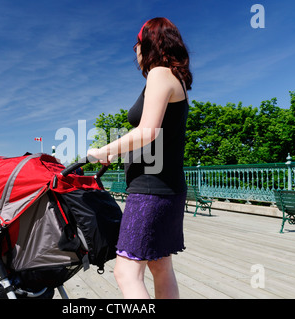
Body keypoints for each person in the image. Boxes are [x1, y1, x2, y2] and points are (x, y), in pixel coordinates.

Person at [87, 17, 192, 299]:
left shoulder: (160, 73)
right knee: (160, 266)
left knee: (126, 272)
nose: (135, 49)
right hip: (169, 188)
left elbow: (146, 131)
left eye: (137, 43)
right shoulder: (176, 78)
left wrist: (104, 150)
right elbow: (154, 136)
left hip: (150, 190)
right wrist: (122, 152)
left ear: (149, 43)